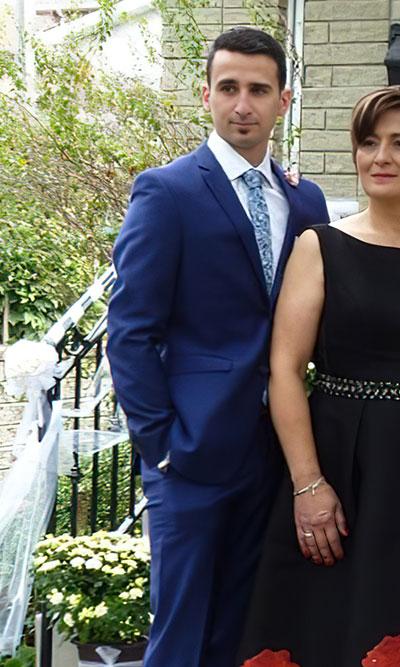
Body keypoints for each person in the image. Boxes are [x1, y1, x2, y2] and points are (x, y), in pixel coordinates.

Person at [239, 85, 400, 665]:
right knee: (325, 624)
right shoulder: (319, 246)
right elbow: (284, 368)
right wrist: (308, 484)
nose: (381, 156)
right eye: (369, 142)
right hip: (338, 466)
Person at [106, 27, 329, 667]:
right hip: (192, 453)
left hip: (274, 451)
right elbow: (132, 329)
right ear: (206, 95)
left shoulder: (304, 198)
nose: (243, 104)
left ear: (283, 100)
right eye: (228, 88)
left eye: (259, 90)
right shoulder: (167, 191)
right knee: (180, 634)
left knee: (245, 628)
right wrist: (161, 444)